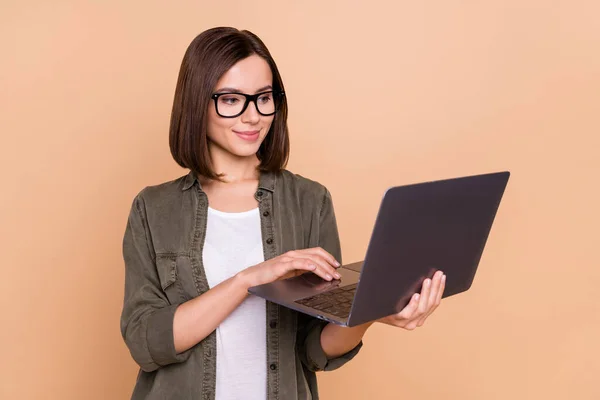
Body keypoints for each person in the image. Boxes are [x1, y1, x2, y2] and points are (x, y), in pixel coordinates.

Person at [120, 27, 446, 400]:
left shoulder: (310, 201)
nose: (252, 116)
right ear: (197, 103)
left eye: (263, 98)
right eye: (230, 100)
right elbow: (146, 342)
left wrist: (370, 310)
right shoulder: (153, 209)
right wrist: (249, 280)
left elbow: (314, 348)